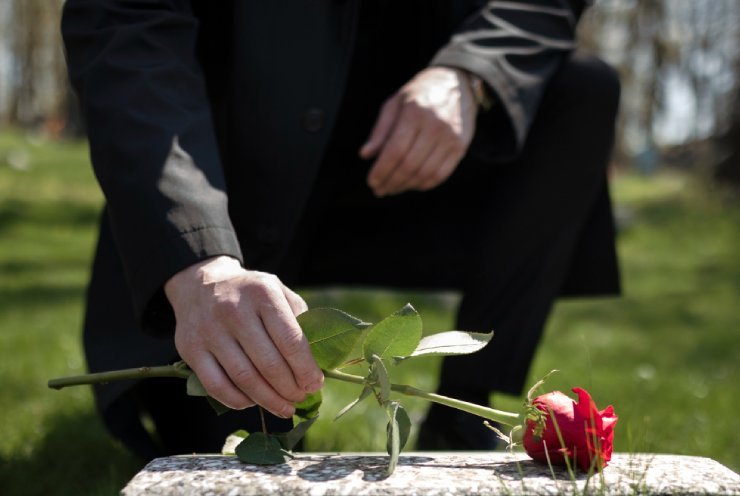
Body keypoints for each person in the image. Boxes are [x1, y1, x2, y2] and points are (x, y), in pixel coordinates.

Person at [61, 1, 621, 460]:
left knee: (580, 87)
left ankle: (465, 409)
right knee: (218, 438)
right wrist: (196, 258)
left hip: (410, 178)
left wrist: (470, 72)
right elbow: (127, 32)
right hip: (232, 197)